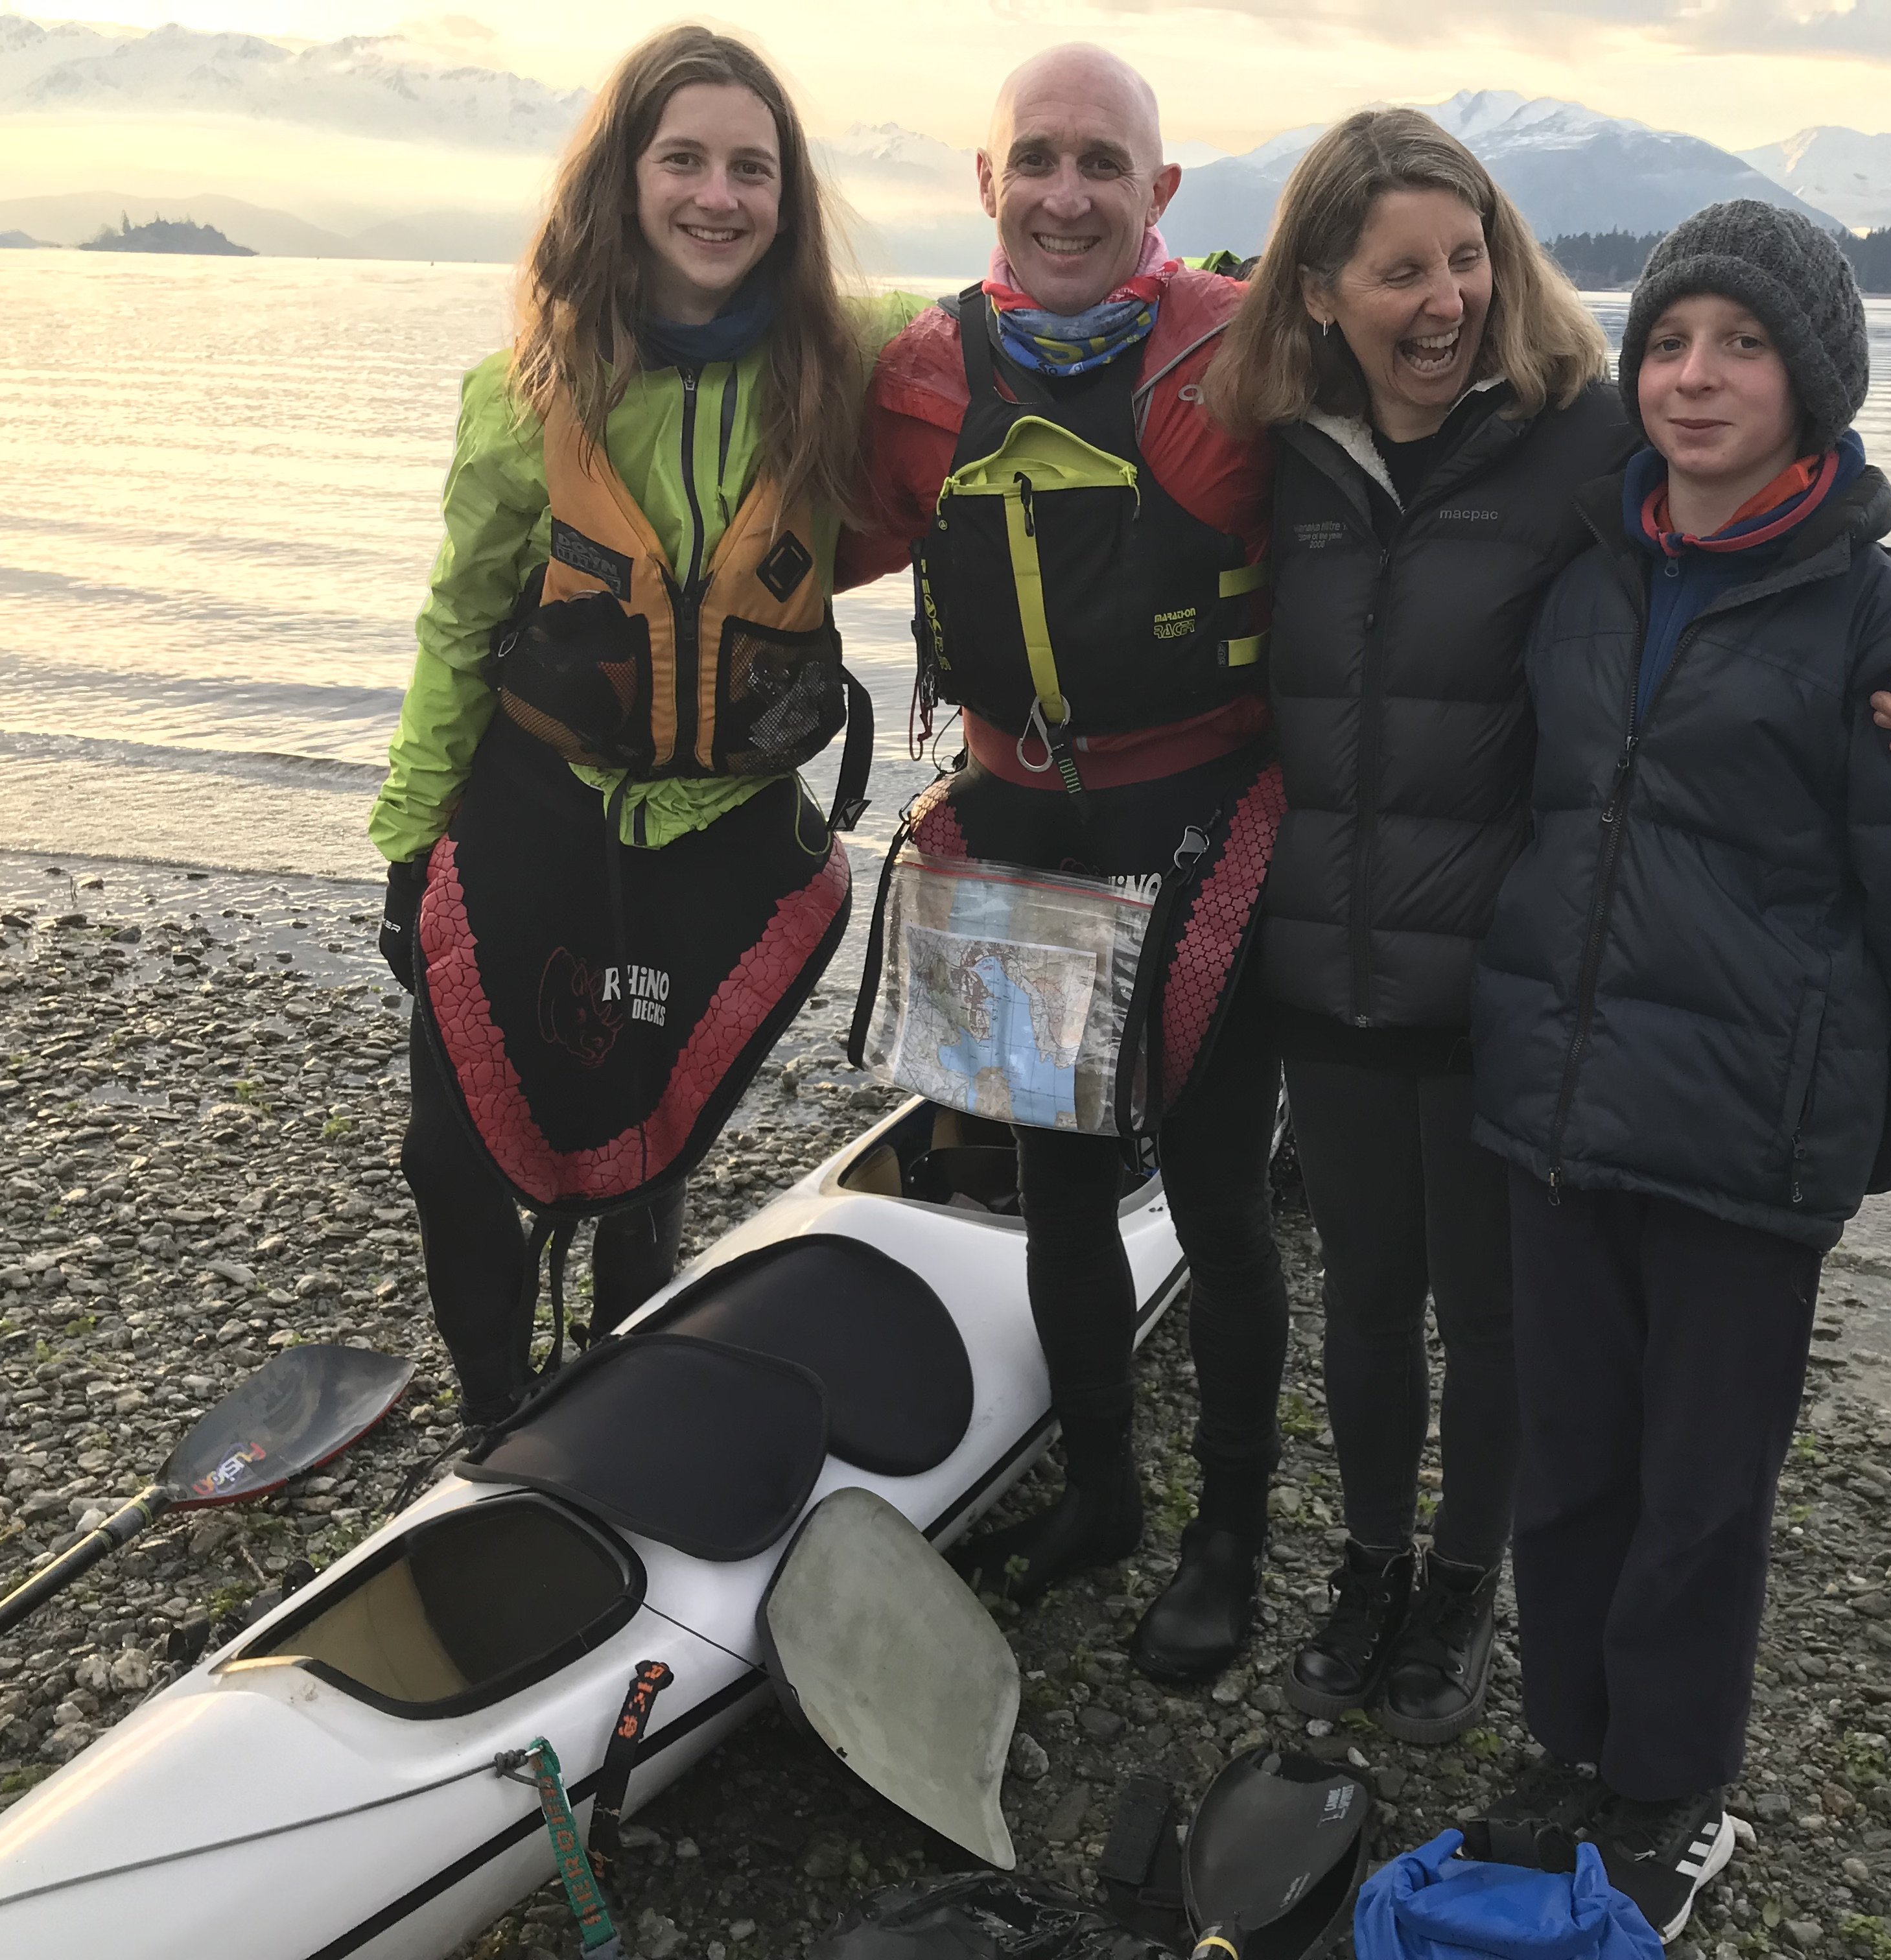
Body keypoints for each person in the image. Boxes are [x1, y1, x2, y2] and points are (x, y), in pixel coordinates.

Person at [1205, 111, 1891, 1748]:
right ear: (1321, 289)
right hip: (1332, 970)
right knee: (1370, 1308)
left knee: (1507, 1334)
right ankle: (1371, 1572)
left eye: (1470, 258)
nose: (1447, 297)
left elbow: (1805, 545)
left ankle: (1471, 1599)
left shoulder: (1569, 441)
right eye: (1401, 270)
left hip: (1504, 997)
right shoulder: (1278, 454)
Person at [1464, 202, 1891, 1940]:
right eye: (1669, 343)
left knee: (1703, 1498)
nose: (1696, 378)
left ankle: (1667, 1791)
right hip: (1561, 1116)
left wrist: (1855, 1137)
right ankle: (1568, 1747)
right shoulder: (1584, 583)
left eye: (1742, 346)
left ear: (1813, 384)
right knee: (1566, 1466)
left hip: (1746, 1148)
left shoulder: (1890, 633)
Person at [842, 45, 1289, 1684]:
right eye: (1038, 159)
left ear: (1164, 196)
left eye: (1106, 164)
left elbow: (1473, 483)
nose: (1068, 195)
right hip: (1015, 814)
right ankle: (1102, 1489)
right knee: (1057, 1196)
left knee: (1228, 1204)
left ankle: (1228, 1542)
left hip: (1208, 822)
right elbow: (783, 541)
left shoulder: (1245, 359)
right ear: (986, 184)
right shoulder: (912, 384)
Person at [372, 26, 895, 1427]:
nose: (718, 197)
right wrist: (409, 840)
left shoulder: (852, 359)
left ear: (787, 202)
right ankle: (495, 1410)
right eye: (684, 160)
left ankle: (620, 1386)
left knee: (652, 1141)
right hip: (538, 805)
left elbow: (1029, 326)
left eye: (751, 169)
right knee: (448, 1149)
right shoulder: (517, 401)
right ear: (625, 178)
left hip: (720, 828)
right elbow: (457, 627)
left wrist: (1187, 291)